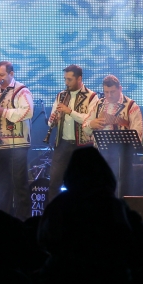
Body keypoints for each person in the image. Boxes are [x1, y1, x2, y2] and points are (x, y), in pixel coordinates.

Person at [0, 61, 34, 219]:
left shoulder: (22, 90)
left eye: (1, 75)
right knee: (2, 186)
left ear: (11, 74)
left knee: (19, 185)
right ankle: (4, 220)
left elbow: (28, 111)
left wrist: (3, 112)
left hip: (16, 145)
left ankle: (23, 221)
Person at [83, 74, 143, 198]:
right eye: (106, 92)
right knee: (101, 187)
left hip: (123, 156)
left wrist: (120, 123)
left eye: (112, 92)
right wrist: (92, 124)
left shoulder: (131, 106)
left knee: (122, 187)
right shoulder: (99, 104)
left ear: (120, 89)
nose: (109, 95)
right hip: (101, 153)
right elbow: (85, 127)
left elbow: (138, 133)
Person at [46, 64, 98, 202]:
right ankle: (55, 213)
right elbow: (51, 122)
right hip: (62, 144)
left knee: (82, 184)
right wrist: (53, 121)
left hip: (83, 146)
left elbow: (89, 120)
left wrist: (69, 111)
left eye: (69, 79)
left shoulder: (92, 97)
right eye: (65, 79)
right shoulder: (61, 95)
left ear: (79, 78)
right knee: (54, 183)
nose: (66, 83)